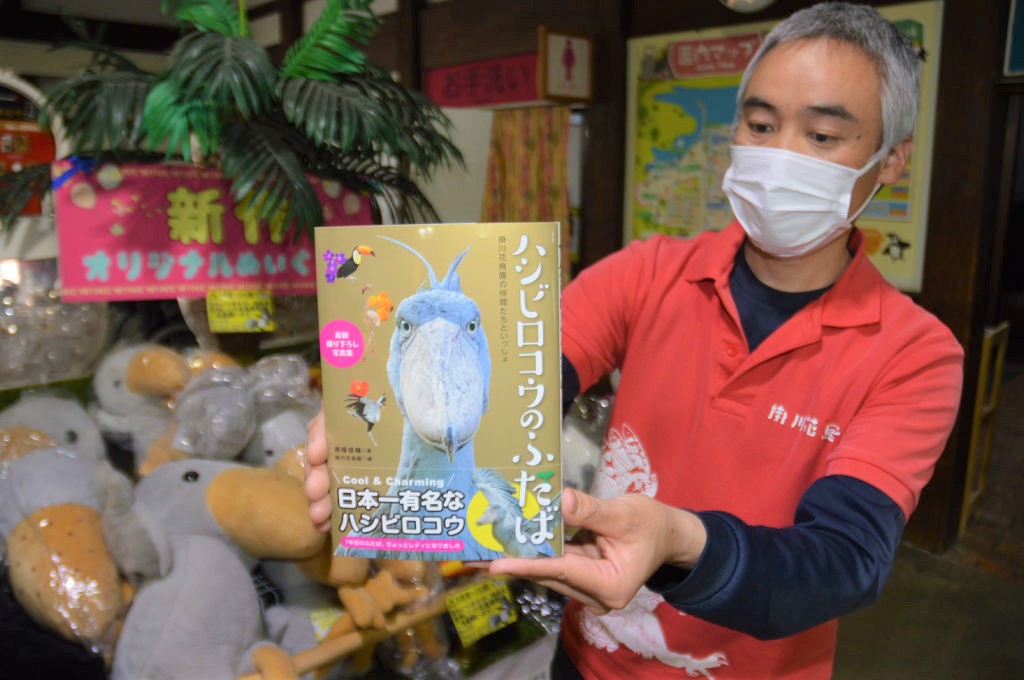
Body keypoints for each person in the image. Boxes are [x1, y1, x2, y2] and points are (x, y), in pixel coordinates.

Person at [305, 2, 964, 678]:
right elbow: (519, 374)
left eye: (823, 136)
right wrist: (382, 424)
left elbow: (844, 559)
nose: (780, 156)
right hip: (587, 659)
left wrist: (681, 541)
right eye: (761, 125)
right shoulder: (648, 272)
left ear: (891, 160)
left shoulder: (915, 354)